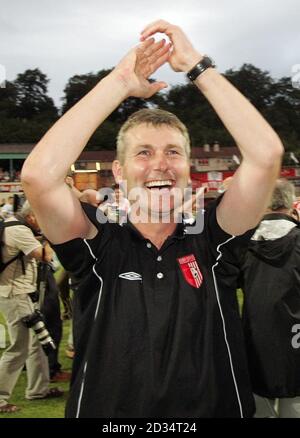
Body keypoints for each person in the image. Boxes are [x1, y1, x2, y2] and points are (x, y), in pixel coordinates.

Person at [21, 20, 283, 418]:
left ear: (188, 166)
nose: (160, 164)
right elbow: (39, 176)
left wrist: (196, 65)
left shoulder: (214, 241)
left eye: (173, 152)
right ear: (120, 173)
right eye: (143, 153)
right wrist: (121, 80)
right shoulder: (97, 246)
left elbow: (265, 156)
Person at [241, 179, 300, 418]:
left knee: (259, 403)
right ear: (289, 203)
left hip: (254, 337)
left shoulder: (241, 242)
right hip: (295, 338)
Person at [0, 201, 63, 413]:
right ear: (33, 216)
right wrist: (51, 237)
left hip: (20, 292)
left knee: (36, 342)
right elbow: (46, 256)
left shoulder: (12, 223)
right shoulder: (18, 230)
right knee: (17, 348)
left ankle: (37, 389)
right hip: (16, 294)